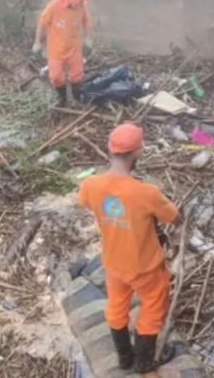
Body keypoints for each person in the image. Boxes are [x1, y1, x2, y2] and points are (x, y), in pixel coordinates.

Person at [75, 123, 181, 376]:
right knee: (152, 310)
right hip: (146, 267)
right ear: (137, 152)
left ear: (109, 150)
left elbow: (84, 202)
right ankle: (145, 364)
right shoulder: (147, 192)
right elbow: (174, 218)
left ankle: (124, 357)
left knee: (116, 305)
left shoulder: (91, 185)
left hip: (113, 263)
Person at [33, 0, 92, 107]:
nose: (80, 5)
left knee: (76, 75)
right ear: (71, 1)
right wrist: (37, 42)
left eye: (82, 2)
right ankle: (62, 98)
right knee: (55, 77)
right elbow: (42, 23)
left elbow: (86, 21)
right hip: (56, 49)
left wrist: (88, 38)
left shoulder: (82, 7)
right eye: (78, 3)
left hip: (74, 47)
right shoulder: (54, 6)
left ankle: (77, 98)